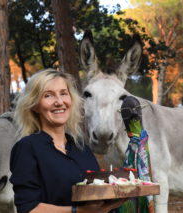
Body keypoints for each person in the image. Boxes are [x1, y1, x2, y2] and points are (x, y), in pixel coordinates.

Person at [10, 69, 125, 213]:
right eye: (48, 95)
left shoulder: (82, 148)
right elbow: (28, 208)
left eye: (64, 93)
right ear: (34, 105)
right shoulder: (27, 148)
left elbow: (97, 196)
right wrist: (78, 211)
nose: (59, 102)